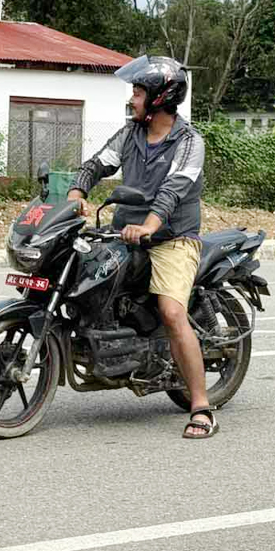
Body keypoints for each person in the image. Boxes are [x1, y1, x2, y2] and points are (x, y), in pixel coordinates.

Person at [66, 55, 213, 439]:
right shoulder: (130, 134)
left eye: (137, 91)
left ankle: (200, 406)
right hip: (125, 234)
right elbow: (97, 163)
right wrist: (77, 190)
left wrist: (149, 225)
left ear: (160, 97)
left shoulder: (188, 142)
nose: (132, 98)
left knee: (171, 311)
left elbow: (173, 191)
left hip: (172, 240)